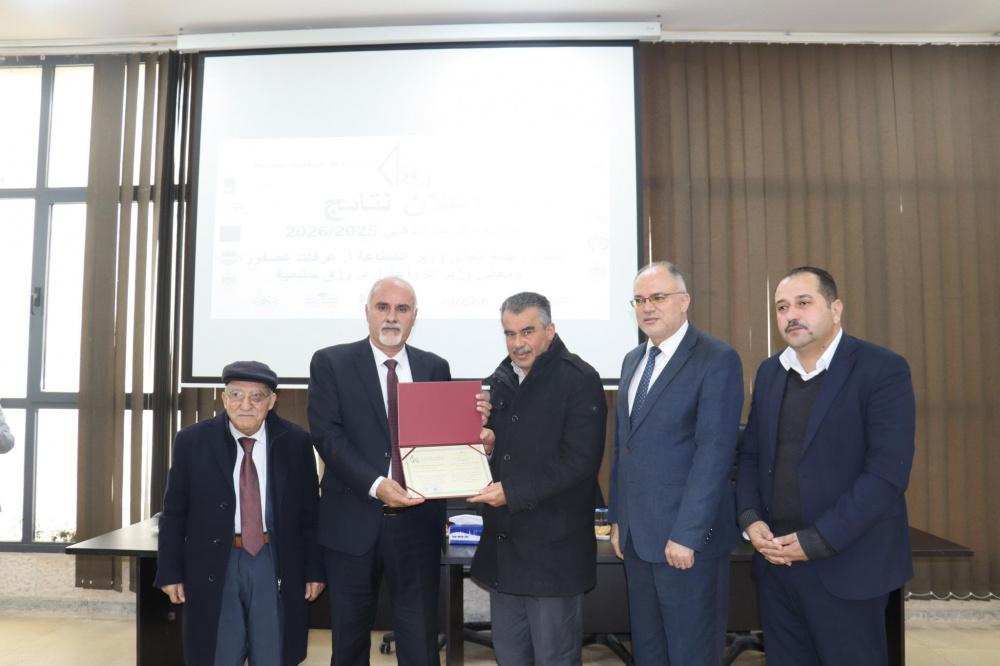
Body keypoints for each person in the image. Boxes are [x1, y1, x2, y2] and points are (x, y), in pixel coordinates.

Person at [736, 266, 915, 665]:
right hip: (777, 564)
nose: (791, 315)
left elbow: (887, 474)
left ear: (836, 309)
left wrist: (817, 541)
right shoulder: (770, 373)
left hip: (848, 565)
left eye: (803, 303)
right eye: (782, 307)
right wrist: (750, 518)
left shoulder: (881, 369)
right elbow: (750, 456)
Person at [308, 276, 490, 666]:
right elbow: (327, 435)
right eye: (383, 307)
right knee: (349, 643)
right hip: (352, 521)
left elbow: (444, 438)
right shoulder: (331, 362)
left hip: (417, 525)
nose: (392, 317)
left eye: (402, 309)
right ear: (367, 313)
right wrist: (377, 485)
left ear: (414, 317)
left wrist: (475, 429)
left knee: (420, 642)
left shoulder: (434, 366)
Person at [607, 261, 744, 666]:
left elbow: (714, 453)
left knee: (690, 653)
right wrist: (618, 519)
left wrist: (687, 534)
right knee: (649, 652)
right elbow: (624, 448)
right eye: (639, 300)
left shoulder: (716, 358)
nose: (647, 307)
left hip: (685, 542)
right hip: (637, 539)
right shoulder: (633, 359)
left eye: (658, 297)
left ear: (684, 302)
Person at [468, 291, 607, 666]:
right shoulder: (497, 381)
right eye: (509, 333)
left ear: (550, 330)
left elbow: (579, 463)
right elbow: (503, 451)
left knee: (554, 658)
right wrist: (489, 446)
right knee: (510, 657)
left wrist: (510, 492)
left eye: (527, 331)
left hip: (553, 556)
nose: (518, 343)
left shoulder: (580, 380)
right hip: (504, 551)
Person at [156, 360, 325, 666]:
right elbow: (174, 512)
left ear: (271, 401)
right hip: (215, 562)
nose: (245, 405)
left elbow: (310, 513)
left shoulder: (296, 442)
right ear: (224, 398)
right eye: (236, 395)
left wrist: (314, 569)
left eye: (256, 396)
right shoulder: (192, 441)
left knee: (273, 651)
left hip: (273, 559)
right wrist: (169, 570)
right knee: (220, 652)